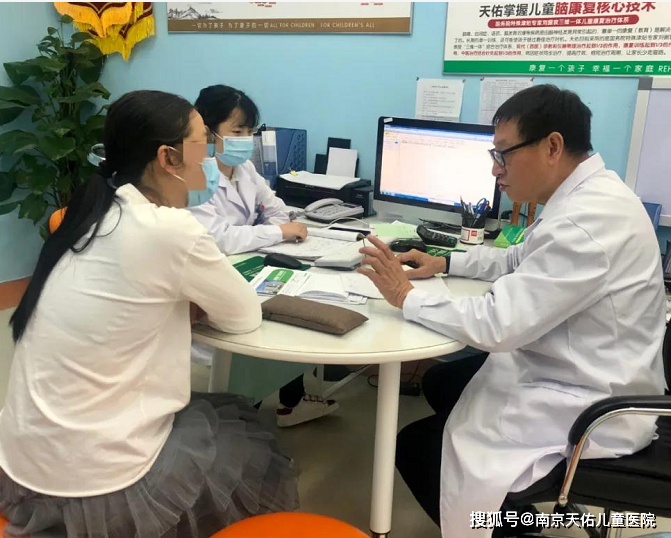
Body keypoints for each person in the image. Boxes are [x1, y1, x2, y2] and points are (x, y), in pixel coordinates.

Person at [357, 84, 666, 538]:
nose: (494, 168)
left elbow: (497, 326)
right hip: (579, 368)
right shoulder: (588, 193)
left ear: (552, 147)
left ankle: (506, 528)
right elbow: (519, 259)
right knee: (443, 382)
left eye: (503, 153)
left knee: (415, 447)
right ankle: (507, 507)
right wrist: (446, 263)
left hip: (594, 405)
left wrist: (406, 296)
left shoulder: (586, 222)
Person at [0, 90, 299, 538]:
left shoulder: (92, 212)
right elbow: (244, 317)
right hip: (96, 480)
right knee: (250, 447)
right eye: (202, 144)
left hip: (22, 464)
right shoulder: (168, 229)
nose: (211, 156)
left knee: (217, 413)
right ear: (168, 158)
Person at [192, 84, 338, 428]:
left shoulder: (244, 169)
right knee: (258, 328)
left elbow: (276, 210)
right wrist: (276, 233)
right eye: (236, 131)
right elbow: (219, 238)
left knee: (290, 306)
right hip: (215, 276)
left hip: (251, 262)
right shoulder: (195, 175)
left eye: (250, 131)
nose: (245, 139)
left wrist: (273, 229)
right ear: (208, 132)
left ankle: (291, 400)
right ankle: (244, 414)